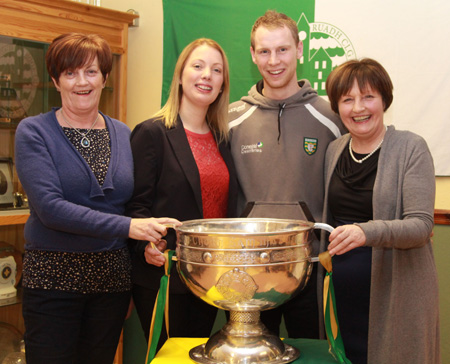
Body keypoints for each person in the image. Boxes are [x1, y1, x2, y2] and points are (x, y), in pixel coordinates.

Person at [14, 33, 179, 364]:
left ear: (105, 77)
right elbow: (50, 209)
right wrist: (131, 227)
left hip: (112, 285)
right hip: (52, 282)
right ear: (55, 80)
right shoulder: (33, 131)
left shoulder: (122, 132)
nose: (81, 82)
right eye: (70, 73)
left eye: (90, 71)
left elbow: (131, 205)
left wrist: (147, 240)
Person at [228, 10, 346, 339]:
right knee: (248, 354)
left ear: (299, 49)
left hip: (308, 266)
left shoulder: (332, 116)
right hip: (248, 268)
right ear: (252, 55)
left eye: (282, 49)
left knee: (309, 354)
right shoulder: (231, 119)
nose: (274, 60)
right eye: (264, 51)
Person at [322, 58, 440, 364]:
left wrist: (366, 231)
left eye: (368, 96)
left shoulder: (411, 148)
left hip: (396, 299)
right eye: (347, 99)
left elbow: (420, 226)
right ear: (337, 107)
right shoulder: (334, 150)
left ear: (384, 100)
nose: (358, 108)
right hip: (342, 297)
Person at [126, 38, 238, 351]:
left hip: (209, 279)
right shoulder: (152, 133)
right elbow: (134, 206)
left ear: (221, 86)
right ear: (179, 75)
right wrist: (146, 246)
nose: (207, 75)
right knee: (169, 356)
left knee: (199, 356)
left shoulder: (223, 139)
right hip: (164, 274)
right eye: (198, 66)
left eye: (216, 71)